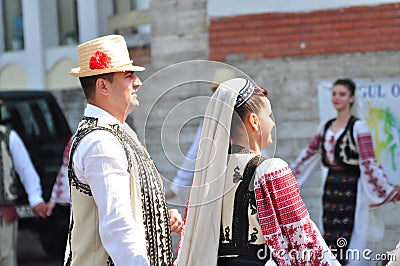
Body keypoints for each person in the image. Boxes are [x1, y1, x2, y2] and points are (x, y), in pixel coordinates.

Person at [175, 78, 340, 265]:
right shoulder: (271, 171)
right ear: (253, 121)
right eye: (268, 116)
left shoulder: (207, 175)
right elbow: (304, 242)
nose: (272, 124)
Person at [65, 34, 182, 266]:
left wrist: (157, 218)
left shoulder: (118, 132)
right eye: (128, 75)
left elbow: (126, 209)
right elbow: (116, 225)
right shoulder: (101, 141)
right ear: (102, 86)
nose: (137, 82)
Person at [290, 78, 400, 265]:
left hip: (352, 188)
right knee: (330, 234)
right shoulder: (325, 126)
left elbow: (369, 162)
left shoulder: (359, 127)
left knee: (354, 237)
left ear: (351, 98)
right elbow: (307, 155)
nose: (337, 98)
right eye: (334, 94)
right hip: (331, 188)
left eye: (342, 94)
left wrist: (387, 189)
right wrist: (286, 176)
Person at [0, 122, 47, 266]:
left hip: (3, 210)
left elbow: (25, 168)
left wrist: (35, 198)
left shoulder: (8, 136)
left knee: (5, 256)